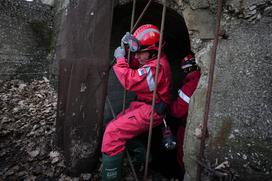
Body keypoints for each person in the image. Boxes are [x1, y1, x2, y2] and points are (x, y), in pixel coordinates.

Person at [101, 24, 172, 181]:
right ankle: (143, 159)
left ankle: (111, 177)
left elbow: (130, 80)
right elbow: (136, 65)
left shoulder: (157, 68)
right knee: (112, 126)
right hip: (143, 104)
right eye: (136, 52)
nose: (137, 56)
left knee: (113, 132)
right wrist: (126, 51)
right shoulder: (153, 59)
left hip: (151, 110)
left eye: (141, 53)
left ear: (153, 51)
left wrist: (120, 59)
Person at [168, 51, 201, 179]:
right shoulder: (201, 80)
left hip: (187, 127)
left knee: (183, 158)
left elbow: (177, 111)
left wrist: (167, 105)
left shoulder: (190, 85)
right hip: (198, 128)